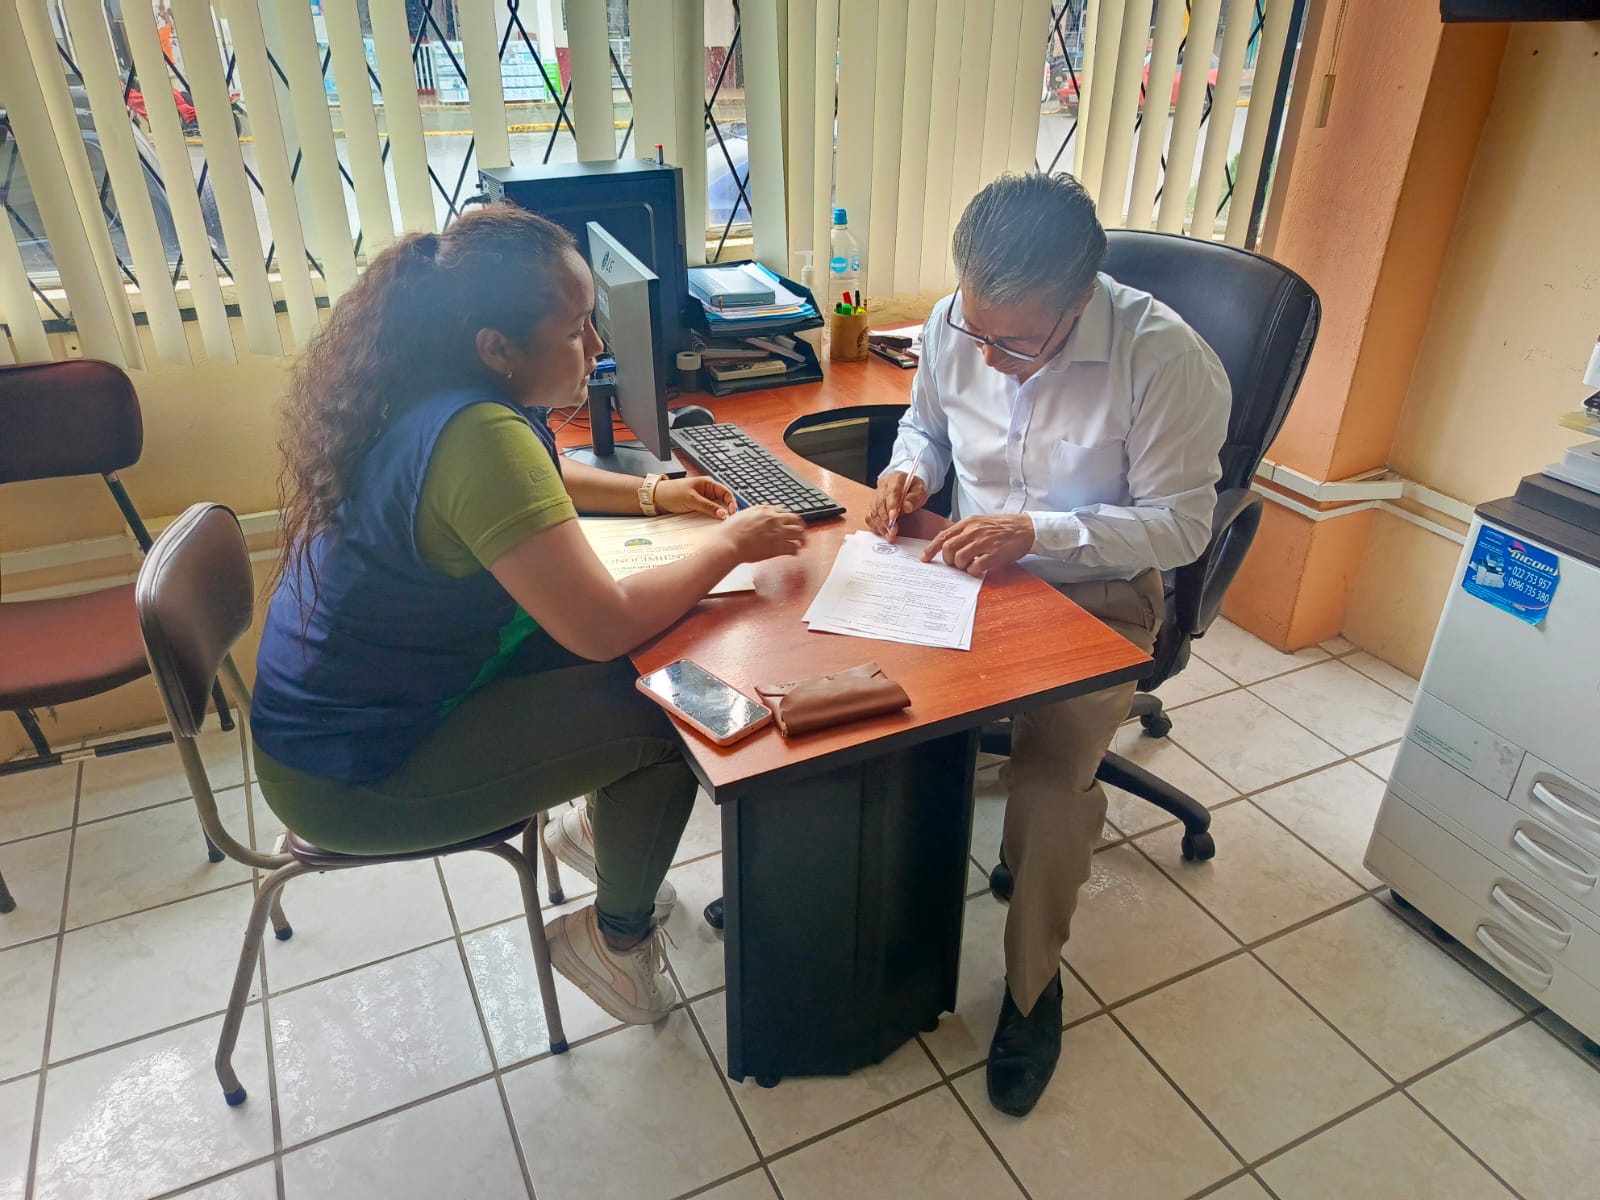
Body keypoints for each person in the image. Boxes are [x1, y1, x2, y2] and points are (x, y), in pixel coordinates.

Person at [252, 206, 806, 1026]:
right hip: (354, 777)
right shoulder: (476, 433)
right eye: (577, 330)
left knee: (631, 667)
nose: (598, 347)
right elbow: (602, 625)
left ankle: (597, 838)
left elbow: (537, 476)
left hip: (336, 724)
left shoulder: (435, 390)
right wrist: (731, 543)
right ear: (497, 348)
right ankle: (613, 945)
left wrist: (652, 493)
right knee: (667, 722)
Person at [866, 172, 1229, 1116]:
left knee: (1048, 784)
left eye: (1017, 343)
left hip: (1097, 592)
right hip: (969, 568)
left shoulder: (1165, 360)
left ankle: (1033, 991)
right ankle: (826, 882)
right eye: (976, 333)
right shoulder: (959, 322)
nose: (988, 357)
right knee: (860, 701)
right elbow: (926, 426)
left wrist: (1038, 531)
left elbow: (1182, 526)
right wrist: (910, 472)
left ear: (1080, 301)